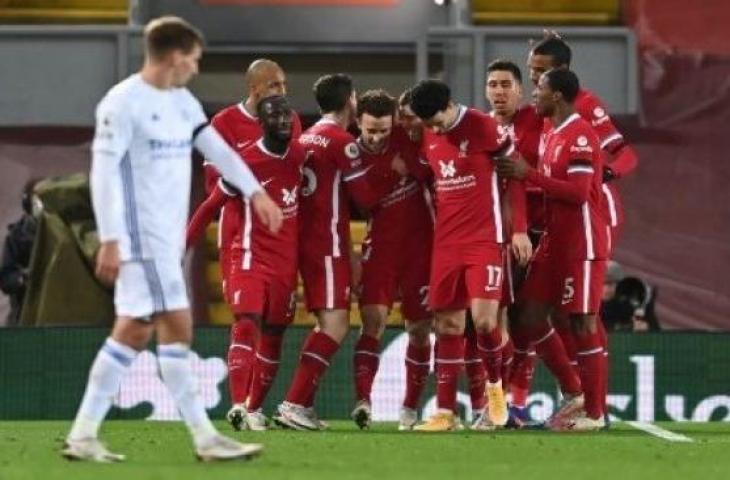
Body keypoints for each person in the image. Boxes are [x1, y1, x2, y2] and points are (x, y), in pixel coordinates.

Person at [62, 16, 283, 462]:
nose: (196, 69)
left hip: (161, 239)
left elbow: (216, 148)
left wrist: (256, 191)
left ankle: (83, 434)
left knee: (133, 331)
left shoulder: (181, 101)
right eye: (194, 60)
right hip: (139, 237)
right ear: (174, 57)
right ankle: (204, 438)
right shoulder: (121, 103)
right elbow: (103, 173)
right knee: (174, 327)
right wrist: (110, 238)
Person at [273, 74, 400, 430]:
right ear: (351, 101)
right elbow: (367, 199)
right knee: (336, 324)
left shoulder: (306, 136)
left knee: (325, 323)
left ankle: (304, 405)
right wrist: (392, 173)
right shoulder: (342, 142)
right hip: (326, 243)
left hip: (305, 240)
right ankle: (293, 403)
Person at [184, 58, 302, 432]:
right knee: (247, 318)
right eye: (275, 87)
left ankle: (253, 407)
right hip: (241, 232)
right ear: (255, 89)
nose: (283, 93)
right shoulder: (223, 126)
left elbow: (294, 171)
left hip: (284, 237)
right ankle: (239, 403)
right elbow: (214, 191)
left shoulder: (290, 122)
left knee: (275, 327)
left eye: (284, 86)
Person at [407, 79, 523, 431]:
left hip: (484, 240)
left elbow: (515, 174)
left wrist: (518, 228)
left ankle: (495, 390)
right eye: (427, 124)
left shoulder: (485, 127)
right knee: (447, 325)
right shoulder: (426, 133)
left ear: (450, 104)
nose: (434, 129)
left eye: (437, 121)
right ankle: (445, 413)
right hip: (446, 242)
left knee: (486, 322)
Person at [497, 68, 609, 431]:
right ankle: (573, 391)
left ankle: (593, 413)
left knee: (582, 321)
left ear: (557, 95)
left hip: (582, 242)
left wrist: (526, 173)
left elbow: (577, 194)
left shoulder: (579, 136)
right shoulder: (550, 132)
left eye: (539, 89)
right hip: (553, 240)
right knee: (526, 314)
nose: (534, 94)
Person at [348, 89, 434, 430]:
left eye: (384, 130)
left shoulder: (409, 137)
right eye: (371, 130)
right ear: (359, 122)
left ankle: (410, 409)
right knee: (373, 320)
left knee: (420, 329)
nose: (378, 136)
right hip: (380, 248)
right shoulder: (350, 153)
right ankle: (363, 402)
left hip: (421, 248)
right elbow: (363, 201)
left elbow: (430, 173)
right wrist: (392, 172)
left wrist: (409, 164)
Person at [484, 59, 543, 426]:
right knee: (496, 319)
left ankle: (514, 401)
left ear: (520, 90)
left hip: (536, 230)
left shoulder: (538, 119)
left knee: (530, 319)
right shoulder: (478, 126)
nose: (499, 91)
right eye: (493, 84)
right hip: (490, 233)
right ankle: (499, 403)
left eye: (506, 84)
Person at [0, 180, 38, 326]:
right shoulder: (17, 236)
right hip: (23, 315)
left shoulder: (62, 232)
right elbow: (6, 280)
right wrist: (23, 278)